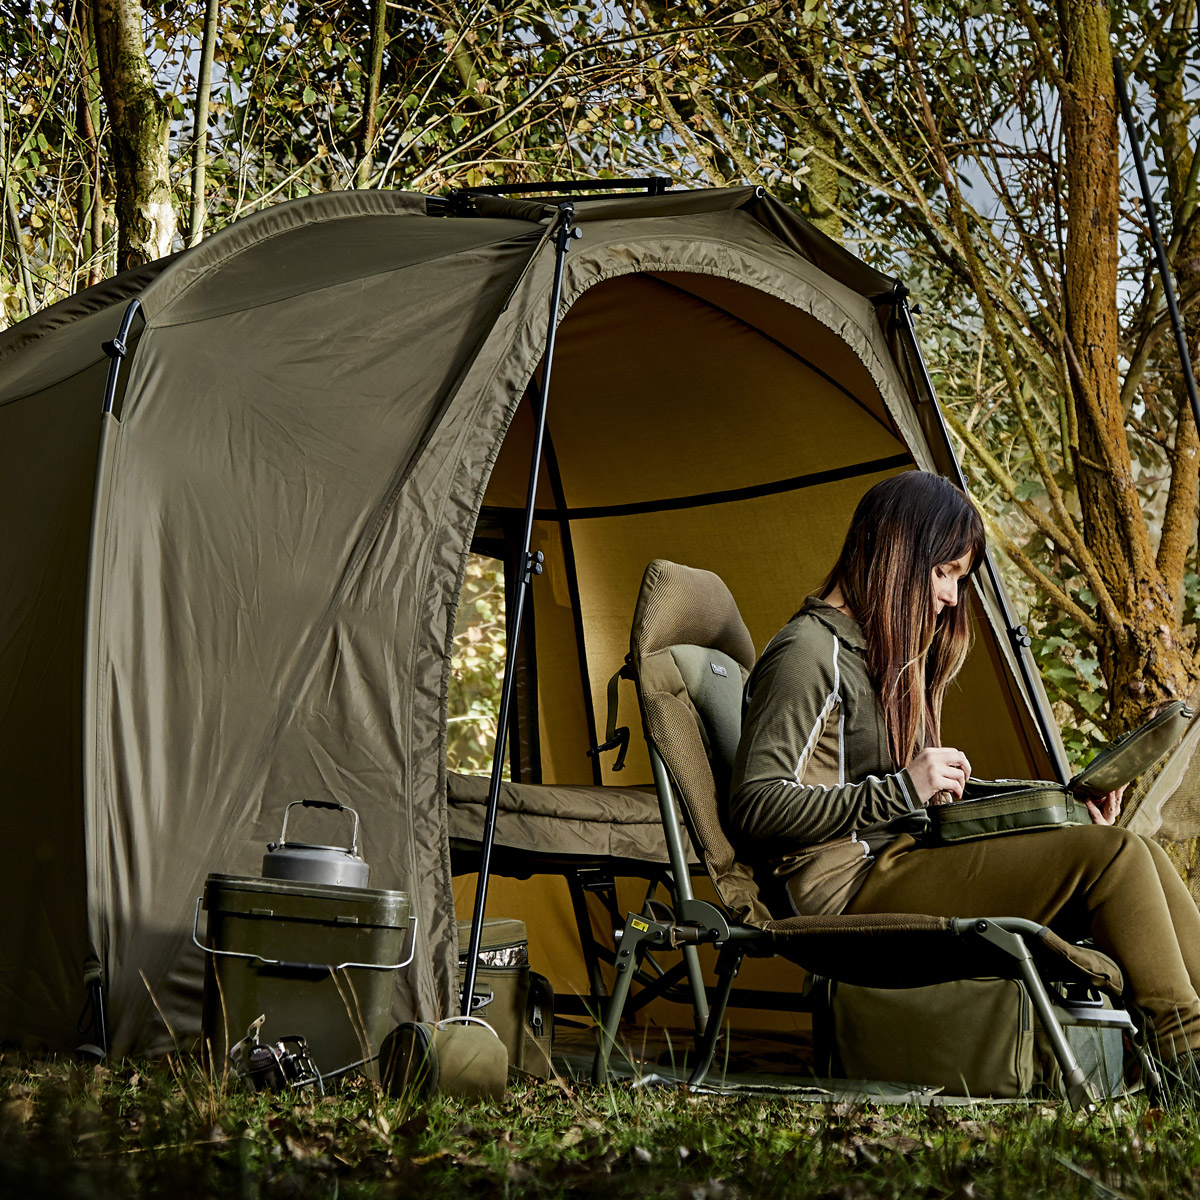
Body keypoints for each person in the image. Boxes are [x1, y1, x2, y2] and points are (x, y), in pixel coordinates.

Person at [729, 470, 1200, 1065]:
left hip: (899, 861)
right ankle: (1189, 1058)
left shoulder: (876, 654)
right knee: (1114, 858)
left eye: (960, 577)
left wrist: (1060, 811)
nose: (953, 596)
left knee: (1131, 849)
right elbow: (756, 806)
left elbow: (912, 801)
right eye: (943, 572)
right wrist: (902, 788)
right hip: (844, 892)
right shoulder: (806, 654)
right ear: (895, 553)